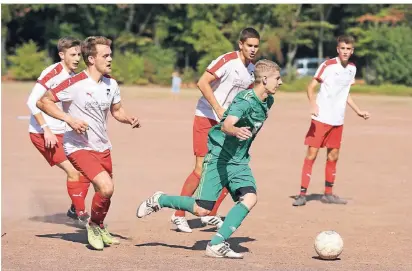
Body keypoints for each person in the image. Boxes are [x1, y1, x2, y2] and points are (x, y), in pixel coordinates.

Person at [137, 59, 282, 259]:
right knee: (202, 210)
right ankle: (160, 199)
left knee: (250, 198)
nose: (280, 82)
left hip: (239, 160)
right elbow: (226, 125)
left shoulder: (268, 101)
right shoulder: (244, 100)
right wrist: (236, 130)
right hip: (219, 157)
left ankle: (216, 243)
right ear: (264, 79)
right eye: (278, 78)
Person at [36, 36, 141, 250]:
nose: (110, 58)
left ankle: (100, 225)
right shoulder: (74, 83)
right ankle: (93, 225)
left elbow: (117, 110)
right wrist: (69, 120)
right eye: (106, 55)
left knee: (105, 193)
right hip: (78, 146)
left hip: (103, 147)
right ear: (91, 59)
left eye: (110, 54)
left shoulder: (111, 83)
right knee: (106, 187)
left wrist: (128, 118)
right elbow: (43, 101)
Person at [171, 27, 260, 233]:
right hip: (206, 117)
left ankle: (209, 214)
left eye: (256, 46)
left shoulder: (252, 70)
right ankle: (178, 215)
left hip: (226, 124)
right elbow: (202, 82)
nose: (253, 49)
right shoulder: (228, 61)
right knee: (201, 168)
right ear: (241, 44)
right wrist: (218, 108)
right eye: (249, 45)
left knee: (226, 169)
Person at [292, 35, 370, 207]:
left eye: (348, 49)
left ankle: (328, 194)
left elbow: (345, 93)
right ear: (338, 49)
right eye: (342, 48)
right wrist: (312, 104)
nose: (345, 52)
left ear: (352, 50)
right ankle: (302, 194)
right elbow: (311, 86)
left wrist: (358, 111)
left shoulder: (352, 68)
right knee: (311, 155)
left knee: (333, 156)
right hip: (321, 118)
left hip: (338, 119)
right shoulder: (327, 65)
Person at [26, 36, 91, 227]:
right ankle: (81, 214)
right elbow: (32, 101)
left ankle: (74, 207)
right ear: (62, 55)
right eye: (73, 54)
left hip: (64, 132)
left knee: (86, 171)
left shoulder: (73, 75)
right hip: (43, 134)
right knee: (73, 173)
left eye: (79, 54)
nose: (77, 58)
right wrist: (46, 130)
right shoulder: (53, 72)